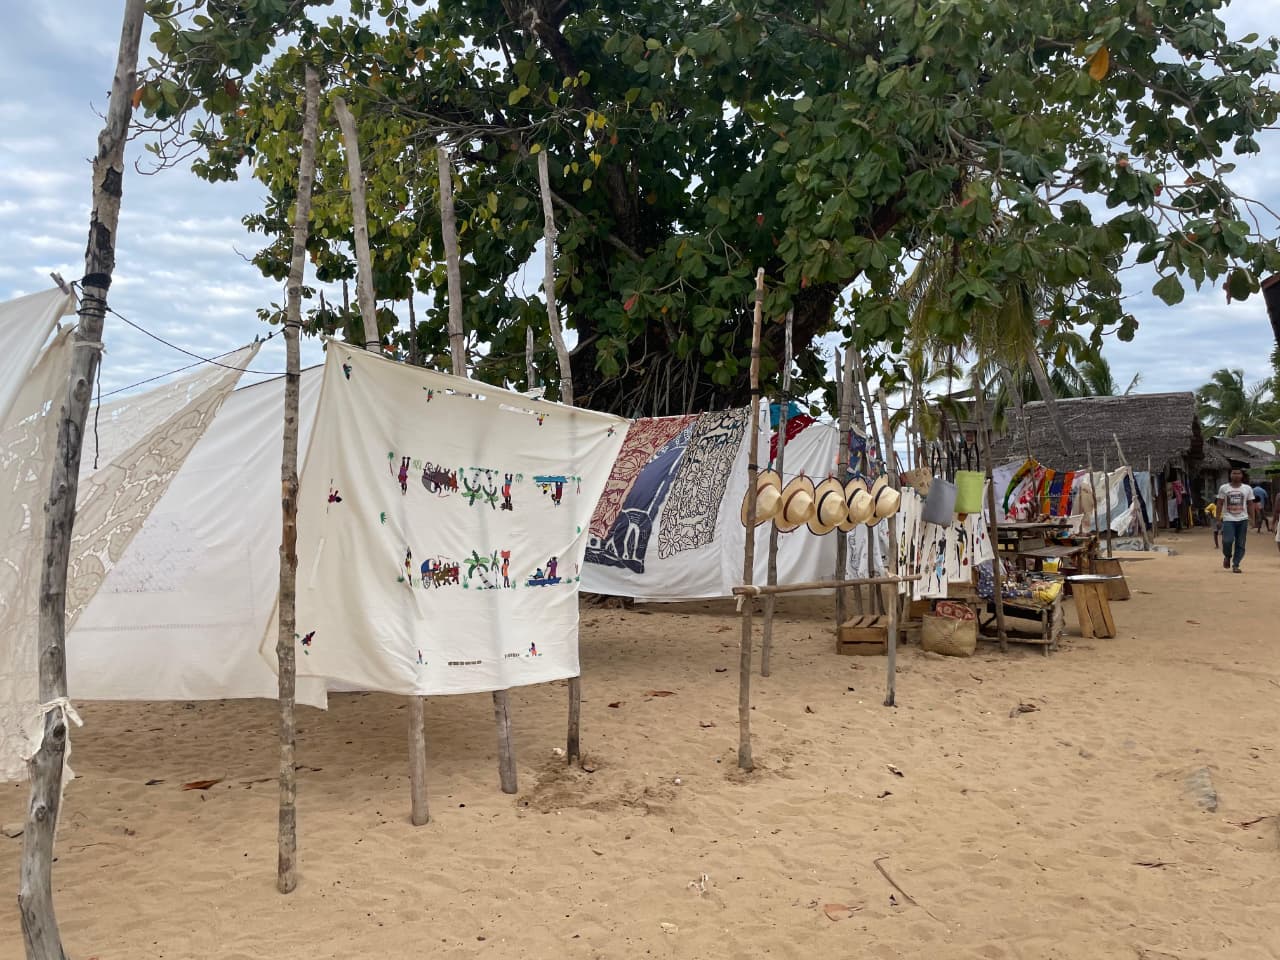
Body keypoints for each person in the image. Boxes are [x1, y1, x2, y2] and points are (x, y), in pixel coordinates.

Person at [1215, 469, 1256, 573]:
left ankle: (1236, 564)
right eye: (1234, 473)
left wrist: (1253, 519)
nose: (1236, 475)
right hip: (1228, 519)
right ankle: (1227, 556)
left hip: (1242, 519)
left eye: (1238, 473)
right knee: (1227, 541)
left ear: (1242, 475)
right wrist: (1218, 519)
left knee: (1240, 543)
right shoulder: (1224, 488)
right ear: (1230, 475)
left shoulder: (1247, 488)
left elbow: (1250, 504)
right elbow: (1219, 503)